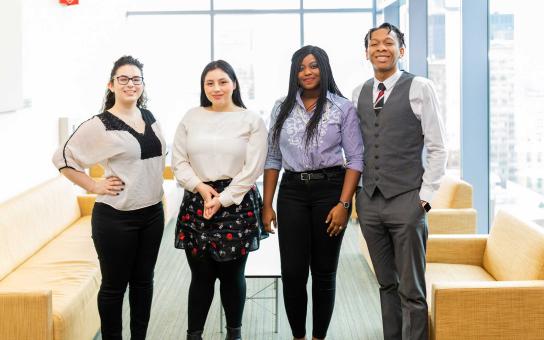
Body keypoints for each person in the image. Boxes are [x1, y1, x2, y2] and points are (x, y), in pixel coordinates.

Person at [52, 56, 165, 340]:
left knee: (143, 283)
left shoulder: (149, 116)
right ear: (111, 84)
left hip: (152, 214)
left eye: (136, 79)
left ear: (142, 84)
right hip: (116, 218)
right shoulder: (100, 124)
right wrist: (93, 184)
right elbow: (62, 157)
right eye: (123, 78)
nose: (130, 84)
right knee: (115, 287)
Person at [262, 45, 363, 340]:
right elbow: (272, 159)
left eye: (314, 66)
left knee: (323, 272)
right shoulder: (281, 108)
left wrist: (345, 204)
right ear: (294, 72)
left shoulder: (342, 107)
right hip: (292, 191)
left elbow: (356, 159)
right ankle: (298, 336)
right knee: (292, 273)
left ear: (324, 68)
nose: (307, 72)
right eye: (301, 67)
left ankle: (318, 336)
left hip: (330, 190)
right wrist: (267, 205)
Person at [355, 23, 448, 340]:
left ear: (401, 50)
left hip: (407, 201)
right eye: (374, 43)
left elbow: (438, 147)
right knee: (386, 284)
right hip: (369, 202)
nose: (381, 47)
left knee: (412, 290)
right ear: (366, 52)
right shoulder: (359, 93)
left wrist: (425, 199)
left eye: (388, 42)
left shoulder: (420, 87)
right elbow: (357, 148)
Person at [172, 60, 268, 340]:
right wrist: (200, 188)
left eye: (223, 81)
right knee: (200, 276)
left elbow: (253, 168)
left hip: (236, 203)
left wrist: (224, 198)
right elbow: (179, 161)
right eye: (209, 83)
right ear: (203, 87)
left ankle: (233, 334)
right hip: (197, 200)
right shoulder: (191, 117)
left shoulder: (251, 120)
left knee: (231, 275)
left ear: (234, 84)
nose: (216, 88)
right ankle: (194, 335)